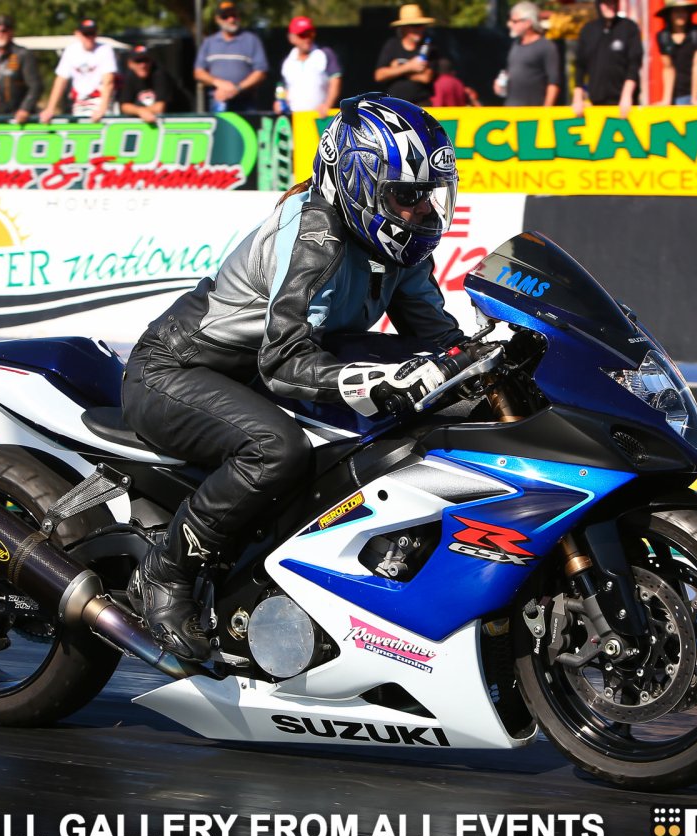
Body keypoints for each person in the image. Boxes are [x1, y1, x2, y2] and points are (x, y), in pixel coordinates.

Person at [121, 94, 473, 662]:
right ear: (358, 182)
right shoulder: (316, 237)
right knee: (274, 449)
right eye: (405, 196)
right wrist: (375, 380)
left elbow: (435, 339)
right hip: (178, 370)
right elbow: (283, 361)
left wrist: (496, 353)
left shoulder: (402, 248)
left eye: (428, 195)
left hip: (255, 373)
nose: (422, 211)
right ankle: (164, 574)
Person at [572, 0, 642, 119]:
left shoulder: (629, 27)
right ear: (599, 5)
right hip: (596, 102)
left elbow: (634, 63)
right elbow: (580, 66)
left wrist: (627, 95)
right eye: (606, 3)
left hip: (624, 103)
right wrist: (578, 96)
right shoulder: (588, 30)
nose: (610, 7)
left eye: (613, 3)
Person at [39, 17, 116, 123]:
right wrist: (50, 108)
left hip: (99, 101)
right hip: (79, 103)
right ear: (78, 34)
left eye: (92, 34)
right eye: (86, 34)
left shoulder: (105, 50)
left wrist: (102, 109)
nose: (89, 38)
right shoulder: (71, 50)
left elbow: (109, 82)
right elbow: (61, 80)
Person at [194, 1, 268, 113]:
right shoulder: (209, 42)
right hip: (218, 100)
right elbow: (198, 72)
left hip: (245, 102)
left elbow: (261, 72)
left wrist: (237, 88)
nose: (231, 19)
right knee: (220, 130)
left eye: (234, 15)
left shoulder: (251, 40)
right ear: (217, 19)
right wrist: (219, 83)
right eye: (225, 16)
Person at [494, 2, 559, 107]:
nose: (509, 24)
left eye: (514, 21)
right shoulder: (515, 44)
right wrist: (500, 84)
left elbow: (554, 82)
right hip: (511, 110)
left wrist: (546, 111)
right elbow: (510, 72)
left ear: (528, 23)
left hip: (533, 114)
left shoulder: (546, 46)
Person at [0, 15, 41, 124]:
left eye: (3, 30)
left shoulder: (23, 54)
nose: (0, 35)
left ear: (11, 32)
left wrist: (25, 109)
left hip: (19, 118)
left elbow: (36, 86)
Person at [276, 16, 341, 116]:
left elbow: (335, 81)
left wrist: (327, 104)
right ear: (292, 38)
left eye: (310, 33)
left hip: (319, 118)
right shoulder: (287, 61)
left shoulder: (324, 53)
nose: (307, 38)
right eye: (302, 35)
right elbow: (283, 87)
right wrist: (279, 102)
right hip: (294, 118)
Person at [374, 4, 436, 106]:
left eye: (421, 25)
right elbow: (379, 75)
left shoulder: (429, 47)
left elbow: (426, 77)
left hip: (421, 106)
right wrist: (410, 67)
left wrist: (397, 70)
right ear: (404, 28)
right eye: (414, 26)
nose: (419, 30)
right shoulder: (392, 45)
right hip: (394, 105)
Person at [656, 0, 697, 105]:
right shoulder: (663, 36)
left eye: (684, 11)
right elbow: (668, 68)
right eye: (677, 11)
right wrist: (666, 100)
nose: (681, 15)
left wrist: (695, 99)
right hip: (677, 95)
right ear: (669, 14)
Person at [119, 46, 175, 123]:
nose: (143, 65)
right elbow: (124, 106)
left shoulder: (160, 75)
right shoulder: (129, 77)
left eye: (146, 61)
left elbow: (159, 107)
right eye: (138, 61)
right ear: (130, 64)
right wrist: (140, 111)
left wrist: (138, 111)